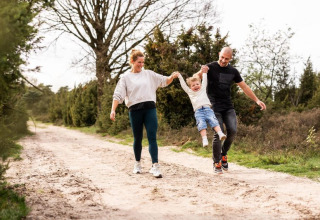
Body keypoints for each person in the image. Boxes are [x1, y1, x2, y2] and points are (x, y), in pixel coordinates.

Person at [196, 47, 266, 174]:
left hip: (228, 106)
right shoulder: (210, 67)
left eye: (226, 59)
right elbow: (195, 78)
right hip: (213, 106)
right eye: (222, 57)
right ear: (219, 54)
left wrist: (257, 100)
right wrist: (201, 73)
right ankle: (216, 162)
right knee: (219, 133)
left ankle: (223, 154)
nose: (223, 60)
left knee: (232, 131)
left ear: (230, 58)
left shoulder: (233, 71)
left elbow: (244, 86)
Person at [110, 49, 179, 178]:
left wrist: (172, 77)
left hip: (150, 109)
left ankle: (155, 166)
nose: (141, 65)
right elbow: (118, 95)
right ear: (132, 61)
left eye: (143, 62)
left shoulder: (148, 74)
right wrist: (113, 110)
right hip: (135, 110)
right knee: (138, 138)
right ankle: (137, 163)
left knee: (152, 137)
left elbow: (164, 81)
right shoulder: (125, 78)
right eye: (139, 62)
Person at [176, 67, 226, 147]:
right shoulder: (190, 92)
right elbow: (183, 85)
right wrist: (179, 76)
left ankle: (220, 134)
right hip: (198, 111)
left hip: (207, 109)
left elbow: (205, 80)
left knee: (213, 120)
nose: (196, 86)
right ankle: (204, 139)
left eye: (197, 84)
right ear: (190, 87)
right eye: (193, 85)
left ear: (200, 84)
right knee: (201, 124)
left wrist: (204, 72)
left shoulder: (202, 89)